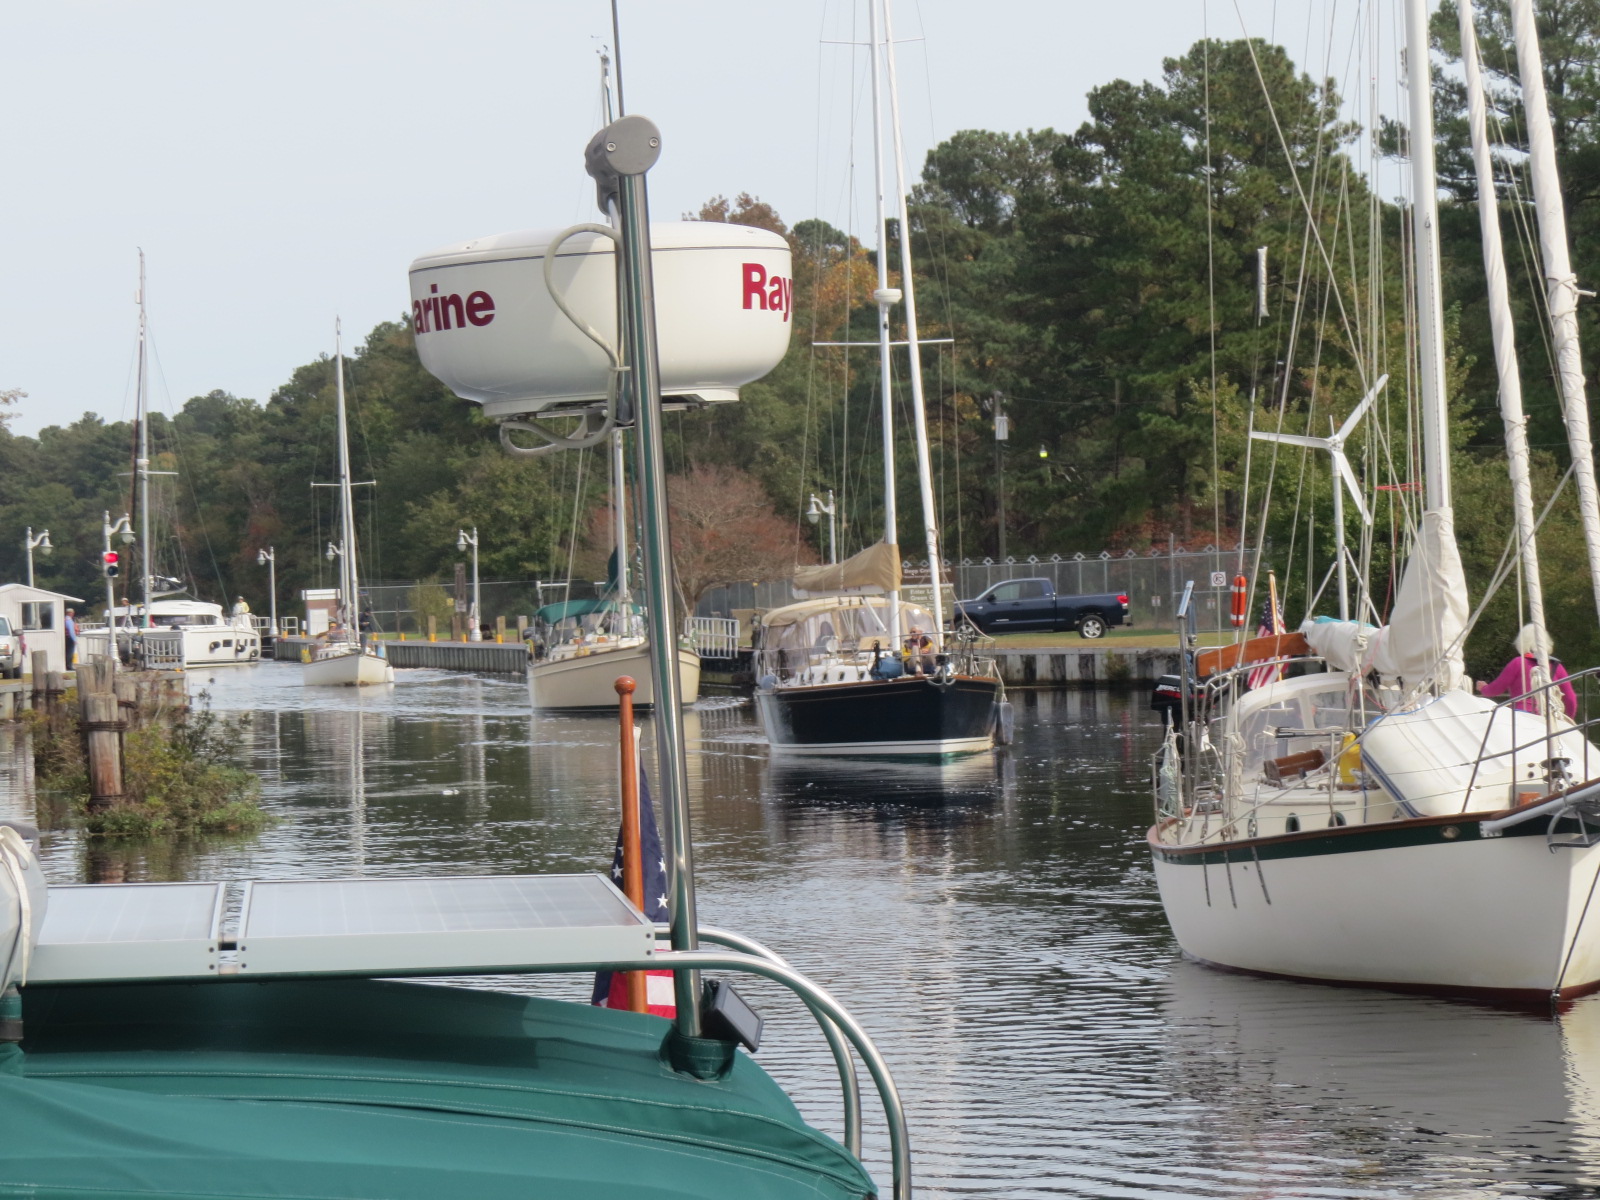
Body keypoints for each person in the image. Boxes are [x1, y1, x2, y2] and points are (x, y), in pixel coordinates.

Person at [1477, 623, 1577, 719]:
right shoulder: (1557, 666)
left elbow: (1496, 689)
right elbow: (1571, 699)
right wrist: (1568, 720)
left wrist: (1484, 688)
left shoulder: (1518, 663)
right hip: (1548, 718)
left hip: (1521, 716)